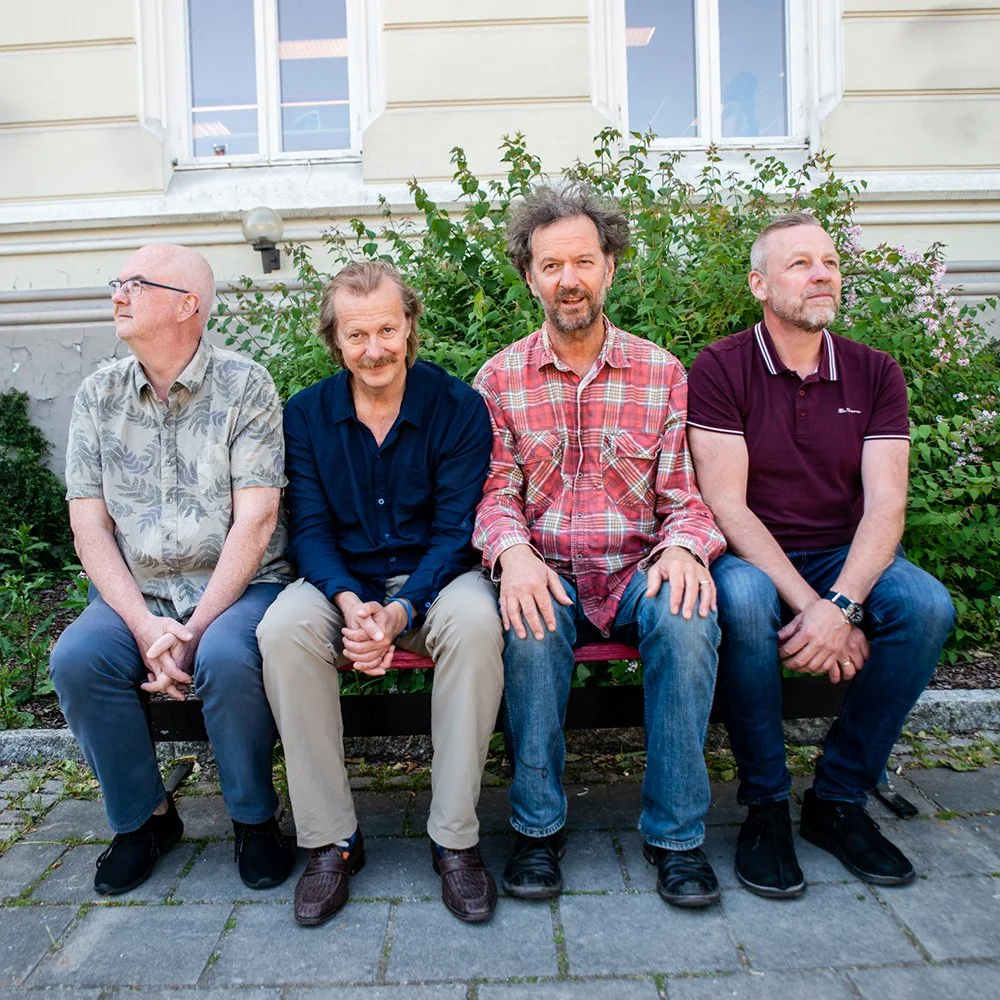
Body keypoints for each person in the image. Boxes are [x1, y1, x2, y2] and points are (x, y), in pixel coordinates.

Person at [686, 212, 955, 898]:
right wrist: (819, 611)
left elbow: (886, 505)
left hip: (843, 553)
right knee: (742, 599)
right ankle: (766, 804)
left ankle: (836, 799)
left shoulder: (874, 371)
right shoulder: (721, 366)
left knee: (926, 606)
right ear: (760, 284)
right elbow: (727, 506)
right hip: (753, 554)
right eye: (800, 263)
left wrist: (842, 602)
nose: (822, 275)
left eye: (830, 262)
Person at [473, 185, 727, 909]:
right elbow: (493, 495)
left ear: (610, 267)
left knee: (686, 617)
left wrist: (683, 550)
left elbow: (687, 497)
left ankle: (676, 838)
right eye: (552, 265)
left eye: (584, 261)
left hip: (638, 570)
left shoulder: (662, 373)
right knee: (528, 624)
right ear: (529, 277)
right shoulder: (498, 380)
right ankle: (537, 829)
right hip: (546, 571)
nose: (570, 280)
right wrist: (513, 556)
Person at [257, 261, 503, 926]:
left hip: (435, 583)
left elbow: (456, 532)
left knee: (478, 624)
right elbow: (309, 530)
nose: (374, 350)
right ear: (334, 340)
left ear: (410, 326)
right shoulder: (306, 415)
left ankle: (454, 839)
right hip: (343, 583)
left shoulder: (457, 408)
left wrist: (398, 612)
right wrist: (348, 603)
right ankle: (332, 840)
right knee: (282, 630)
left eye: (387, 330)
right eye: (357, 334)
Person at [51, 244, 295, 896]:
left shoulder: (246, 386)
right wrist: (143, 625)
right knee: (78, 660)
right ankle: (146, 819)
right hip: (139, 593)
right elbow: (89, 527)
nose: (118, 294)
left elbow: (257, 521)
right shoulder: (98, 395)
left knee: (227, 659)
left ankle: (253, 818)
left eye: (136, 283)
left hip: (239, 587)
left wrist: (194, 629)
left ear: (189, 305)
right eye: (118, 281)